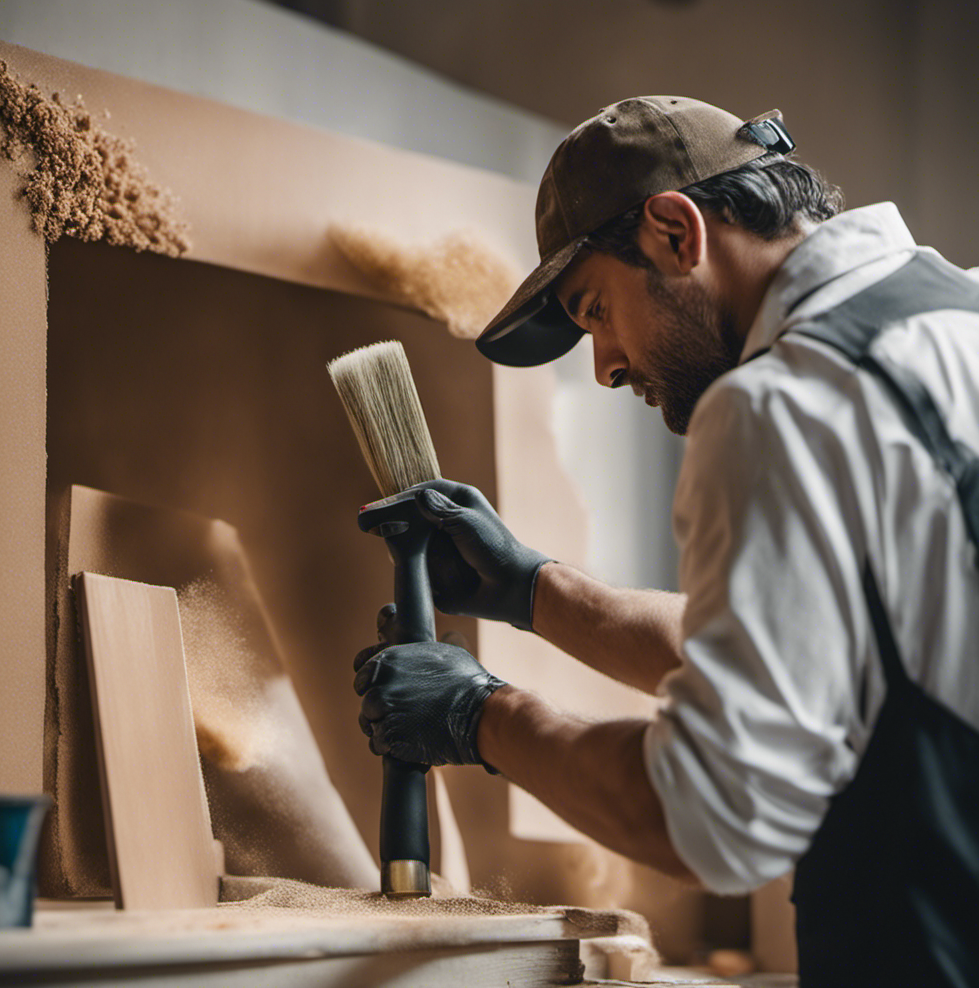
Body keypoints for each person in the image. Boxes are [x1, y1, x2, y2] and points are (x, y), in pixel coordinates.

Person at [352, 96, 979, 987]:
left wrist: (482, 715)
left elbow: (717, 817)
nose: (604, 365)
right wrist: (535, 590)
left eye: (596, 309)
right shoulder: (952, 319)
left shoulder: (784, 404)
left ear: (677, 232)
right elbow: (813, 659)